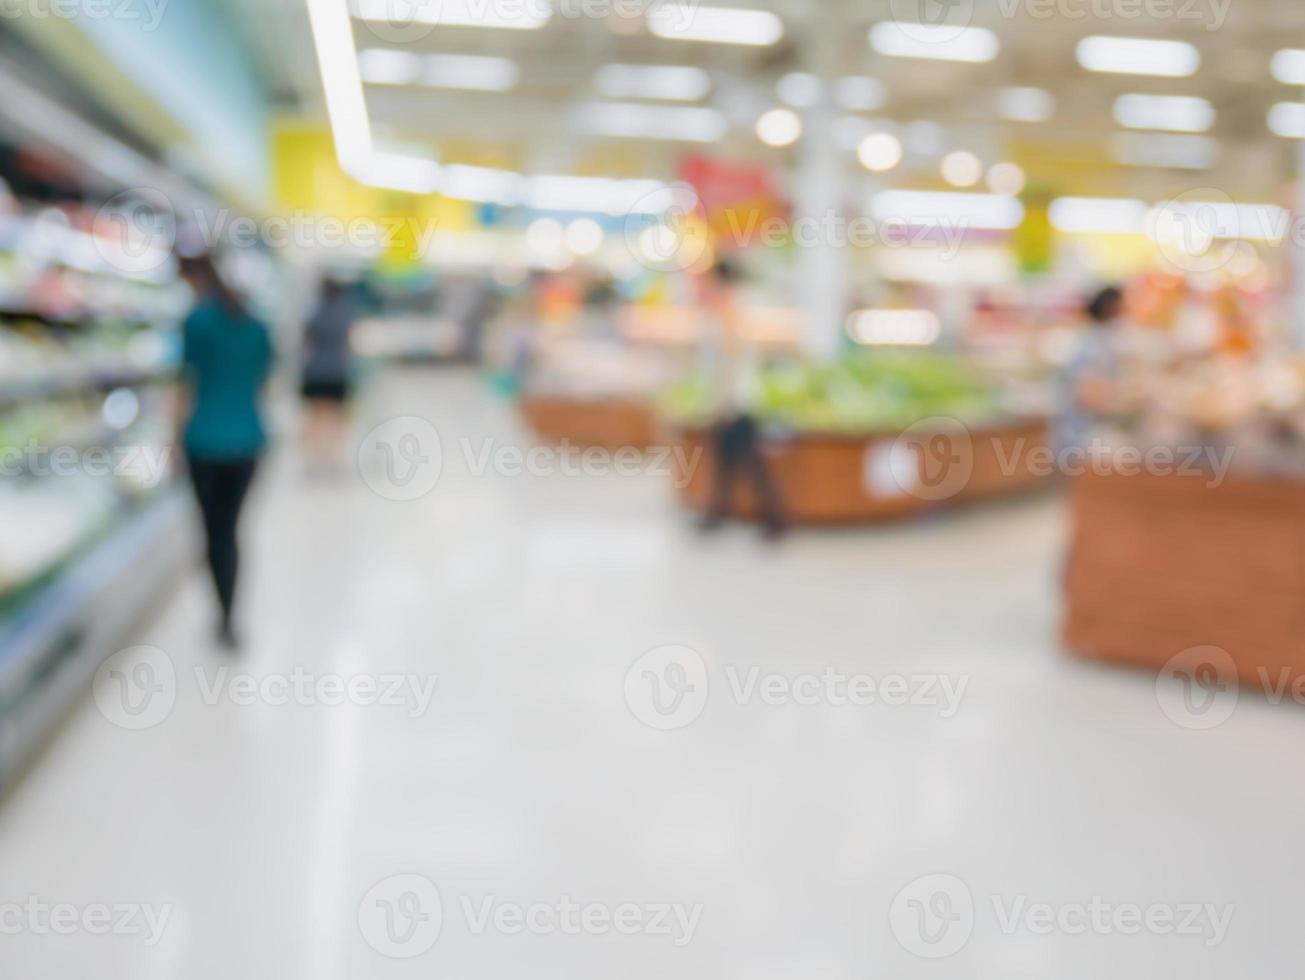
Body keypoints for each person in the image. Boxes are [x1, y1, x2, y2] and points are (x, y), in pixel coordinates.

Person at [176, 254, 273, 649]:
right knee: (231, 530)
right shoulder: (256, 324)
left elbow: (184, 388)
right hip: (247, 441)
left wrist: (171, 443)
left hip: (204, 443)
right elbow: (263, 380)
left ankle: (222, 613)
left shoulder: (197, 321)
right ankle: (229, 617)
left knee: (212, 530)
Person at [696, 259, 786, 539]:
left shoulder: (730, 313)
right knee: (728, 461)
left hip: (737, 402)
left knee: (750, 463)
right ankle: (717, 513)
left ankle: (773, 519)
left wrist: (724, 402)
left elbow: (729, 361)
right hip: (738, 399)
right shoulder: (736, 309)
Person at [299, 277, 356, 467]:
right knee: (336, 416)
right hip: (337, 371)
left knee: (314, 414)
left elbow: (306, 341)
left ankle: (314, 456)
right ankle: (332, 455)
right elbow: (349, 343)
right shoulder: (345, 314)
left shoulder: (314, 312)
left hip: (315, 370)